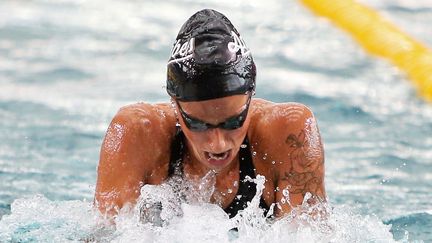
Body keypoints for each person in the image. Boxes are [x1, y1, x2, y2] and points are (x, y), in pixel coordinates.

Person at [95, 9, 326, 220]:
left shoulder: (288, 133)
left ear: (250, 97)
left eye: (233, 121)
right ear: (175, 105)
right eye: (198, 124)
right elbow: (103, 235)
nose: (218, 144)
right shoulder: (137, 133)